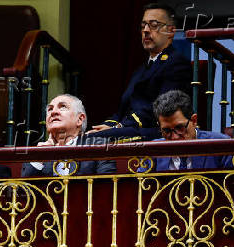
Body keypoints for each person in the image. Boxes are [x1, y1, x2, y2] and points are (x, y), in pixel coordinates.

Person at [86, 3, 192, 141]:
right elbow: (123, 110)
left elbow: (163, 108)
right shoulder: (140, 70)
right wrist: (109, 125)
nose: (146, 30)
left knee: (91, 141)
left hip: (156, 132)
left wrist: (118, 127)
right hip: (131, 128)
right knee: (85, 137)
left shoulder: (176, 63)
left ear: (171, 31)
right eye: (143, 26)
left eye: (153, 25)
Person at [22, 94, 116, 177]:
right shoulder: (34, 154)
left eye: (63, 107)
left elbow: (107, 189)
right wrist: (38, 160)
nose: (53, 112)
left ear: (79, 119)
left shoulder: (100, 147)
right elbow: (23, 193)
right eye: (50, 109)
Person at [147, 90, 232, 171]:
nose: (174, 137)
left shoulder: (222, 147)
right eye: (167, 131)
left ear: (194, 121)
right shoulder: (153, 151)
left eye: (180, 128)